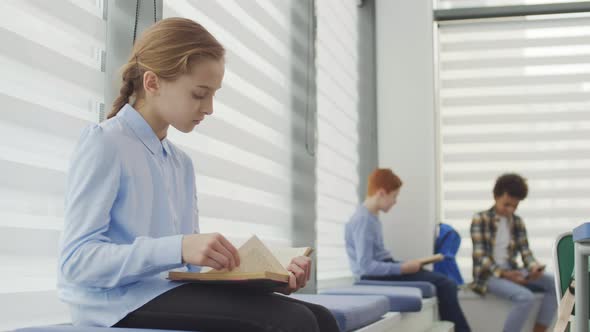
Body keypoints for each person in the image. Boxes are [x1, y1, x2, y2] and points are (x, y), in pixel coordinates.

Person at [57, 17, 338, 332]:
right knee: (294, 321)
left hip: (167, 293)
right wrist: (178, 247)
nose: (210, 108)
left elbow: (189, 269)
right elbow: (76, 262)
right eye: (199, 94)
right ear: (152, 83)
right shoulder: (106, 143)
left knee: (323, 319)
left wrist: (268, 279)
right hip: (116, 304)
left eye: (213, 94)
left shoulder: (180, 163)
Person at [345, 168, 471, 332]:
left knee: (443, 281)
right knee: (446, 284)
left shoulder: (371, 217)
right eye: (394, 196)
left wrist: (404, 266)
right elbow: (365, 266)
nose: (395, 202)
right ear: (382, 193)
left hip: (386, 268)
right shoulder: (363, 220)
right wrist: (402, 268)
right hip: (375, 275)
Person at [471, 173, 556, 332]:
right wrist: (505, 274)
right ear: (496, 197)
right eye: (507, 204)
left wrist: (533, 267)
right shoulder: (480, 219)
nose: (510, 210)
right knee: (525, 298)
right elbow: (481, 257)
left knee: (555, 283)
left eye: (515, 206)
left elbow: (525, 252)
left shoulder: (517, 222)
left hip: (512, 271)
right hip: (488, 275)